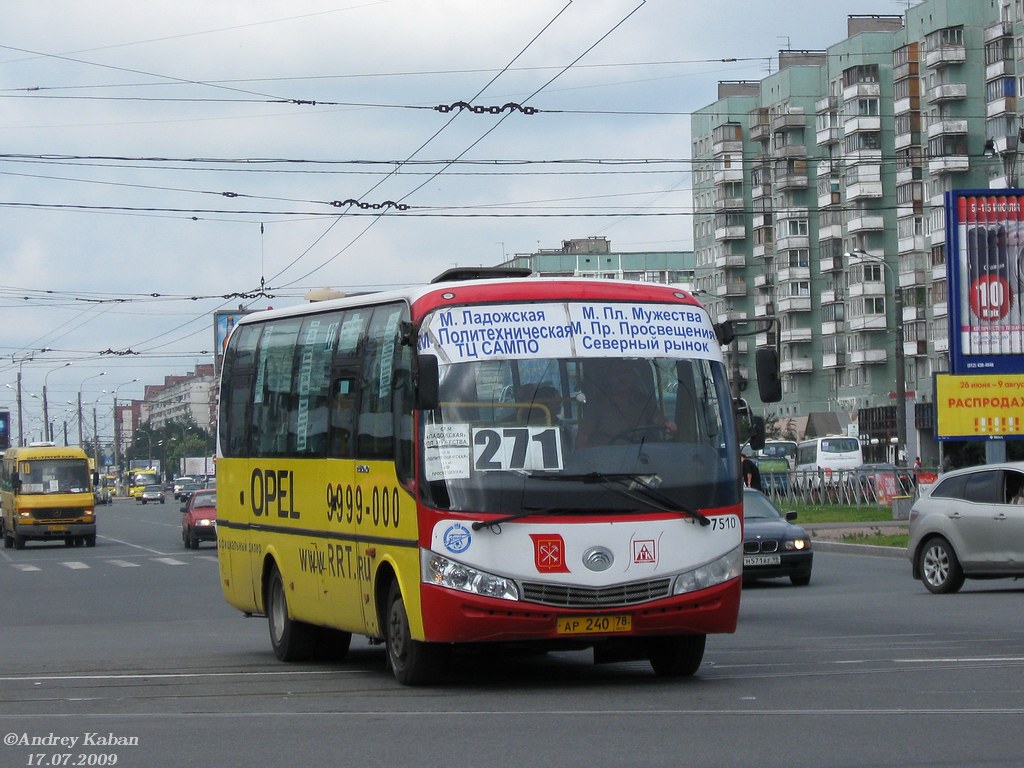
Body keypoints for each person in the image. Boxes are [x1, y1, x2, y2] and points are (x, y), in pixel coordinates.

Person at [576, 361, 675, 447]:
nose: (622, 377)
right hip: (606, 461)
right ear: (609, 377)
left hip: (640, 458)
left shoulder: (641, 401)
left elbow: (657, 417)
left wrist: (667, 424)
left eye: (627, 372)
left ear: (633, 376)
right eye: (618, 372)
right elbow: (583, 437)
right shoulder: (597, 405)